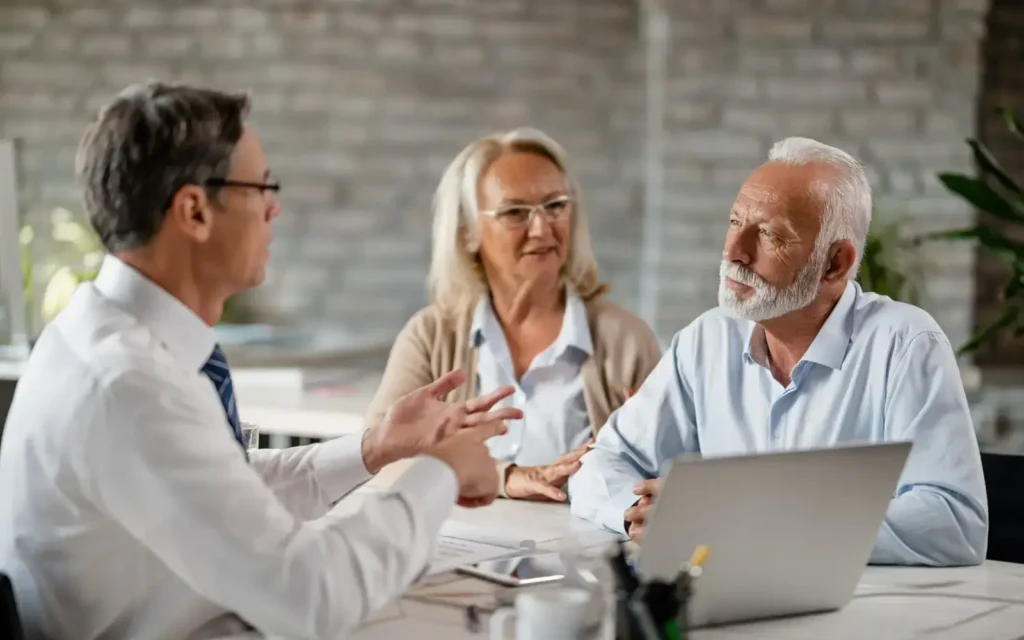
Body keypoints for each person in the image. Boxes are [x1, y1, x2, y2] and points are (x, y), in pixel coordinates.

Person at [0, 82, 524, 640]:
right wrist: (441, 471)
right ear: (194, 210)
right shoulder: (131, 383)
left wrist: (376, 448)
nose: (274, 207)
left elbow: (228, 491)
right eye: (261, 186)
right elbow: (311, 597)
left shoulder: (100, 336)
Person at [569, 137, 988, 567]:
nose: (734, 252)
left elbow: (955, 523)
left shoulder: (905, 344)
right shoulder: (706, 340)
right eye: (734, 222)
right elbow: (604, 464)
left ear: (835, 264)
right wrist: (638, 515)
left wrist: (749, 523)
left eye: (769, 235)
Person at [363, 128, 661, 502]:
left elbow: (665, 475)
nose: (542, 228)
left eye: (555, 206)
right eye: (515, 212)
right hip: (460, 556)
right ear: (467, 233)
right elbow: (376, 456)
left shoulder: (627, 340)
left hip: (576, 557)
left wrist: (641, 456)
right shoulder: (431, 335)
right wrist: (505, 477)